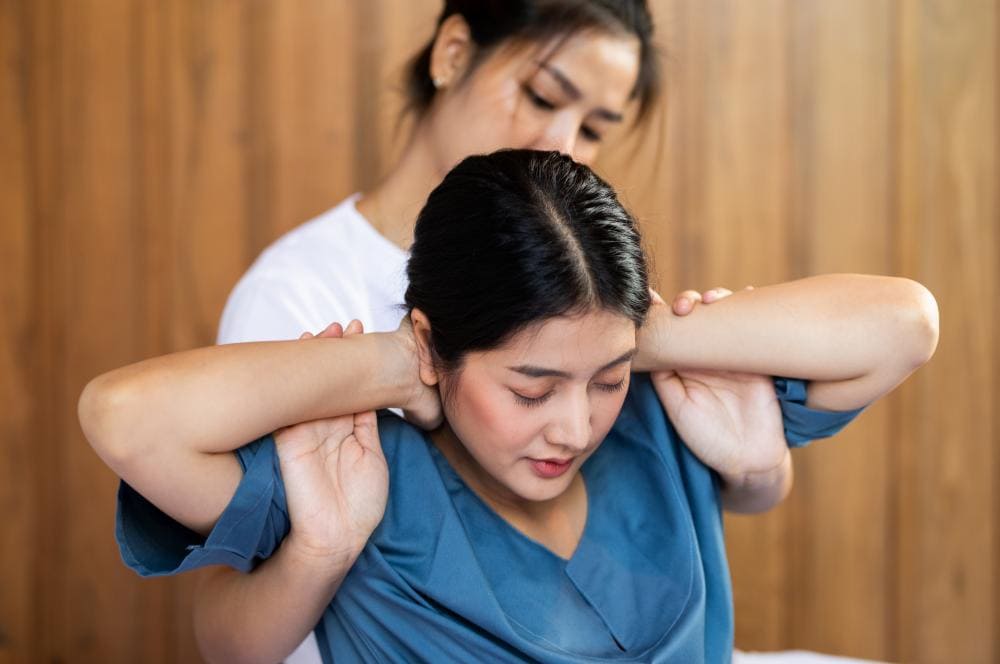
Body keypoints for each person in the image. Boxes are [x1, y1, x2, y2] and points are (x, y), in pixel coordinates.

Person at [80, 150, 939, 663]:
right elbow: (124, 416)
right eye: (531, 388)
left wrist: (643, 342)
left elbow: (905, 324)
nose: (575, 427)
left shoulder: (663, 412)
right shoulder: (358, 469)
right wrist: (392, 363)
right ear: (435, 345)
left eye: (603, 381)